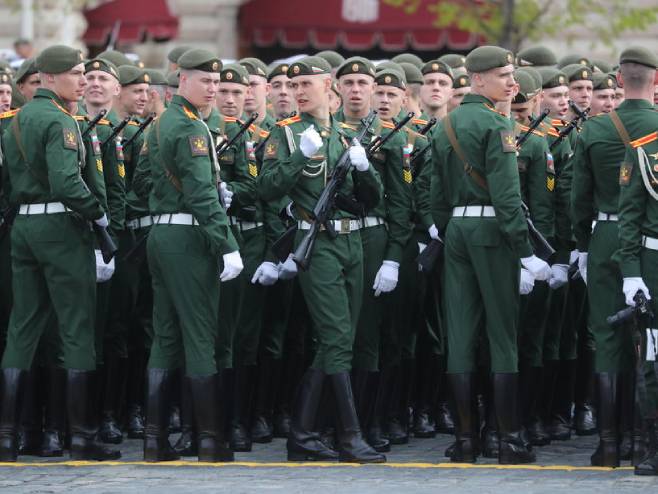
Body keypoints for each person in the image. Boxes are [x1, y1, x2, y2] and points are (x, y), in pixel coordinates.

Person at [258, 56, 385, 464]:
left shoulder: (343, 135)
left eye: (305, 85)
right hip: (318, 244)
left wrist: (365, 170)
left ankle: (304, 432)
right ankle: (349, 435)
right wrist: (299, 157)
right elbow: (267, 187)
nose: (297, 92)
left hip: (352, 244)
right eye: (292, 88)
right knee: (334, 338)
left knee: (341, 341)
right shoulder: (288, 134)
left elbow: (371, 199)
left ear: (326, 84)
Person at [430, 45, 550, 465]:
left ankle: (465, 440)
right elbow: (507, 196)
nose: (512, 83)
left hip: (457, 231)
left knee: (461, 335)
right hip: (493, 232)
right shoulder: (497, 125)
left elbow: (436, 198)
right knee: (502, 334)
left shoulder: (445, 125)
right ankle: (508, 439)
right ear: (477, 79)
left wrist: (450, 228)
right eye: (503, 75)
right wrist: (524, 251)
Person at [0, 44, 119, 462]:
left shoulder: (16, 119)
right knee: (76, 326)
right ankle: (83, 436)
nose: (83, 80)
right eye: (74, 73)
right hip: (60, 227)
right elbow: (68, 183)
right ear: (50, 78)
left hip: (25, 227)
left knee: (23, 327)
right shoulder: (60, 120)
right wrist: (99, 215)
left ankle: (8, 437)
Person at [142, 48, 242, 463]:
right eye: (205, 80)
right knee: (201, 335)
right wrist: (228, 245)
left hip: (161, 233)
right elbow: (201, 194)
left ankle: (155, 439)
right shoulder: (191, 128)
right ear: (181, 80)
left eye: (217, 82)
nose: (213, 88)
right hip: (188, 238)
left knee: (166, 337)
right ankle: (209, 439)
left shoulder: (162, 123)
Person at [571, 46, 658, 468]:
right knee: (649, 343)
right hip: (648, 239)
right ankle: (642, 443)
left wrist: (582, 247)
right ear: (655, 82)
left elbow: (578, 197)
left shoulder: (593, 129)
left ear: (619, 80)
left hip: (605, 233)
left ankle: (608, 444)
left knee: (605, 338)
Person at [613, 47, 658, 476]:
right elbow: (629, 218)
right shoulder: (645, 151)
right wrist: (631, 273)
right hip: (654, 264)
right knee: (654, 360)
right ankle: (651, 445)